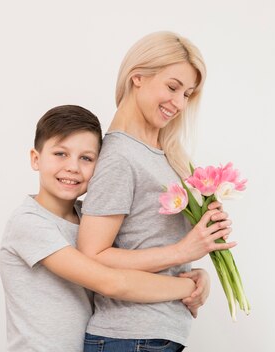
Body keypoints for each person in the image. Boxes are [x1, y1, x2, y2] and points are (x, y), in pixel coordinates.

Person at [77, 31, 236, 351]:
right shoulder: (120, 156)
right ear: (137, 76)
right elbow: (91, 256)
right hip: (128, 336)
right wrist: (184, 252)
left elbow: (150, 242)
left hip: (153, 336)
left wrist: (194, 277)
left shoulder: (166, 155)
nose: (178, 103)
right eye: (173, 87)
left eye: (188, 94)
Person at [0, 105, 201, 352]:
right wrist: (188, 286)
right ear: (35, 158)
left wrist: (200, 275)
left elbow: (130, 261)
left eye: (86, 158)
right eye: (60, 154)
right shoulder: (29, 224)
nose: (73, 167)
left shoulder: (88, 218)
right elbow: (112, 283)